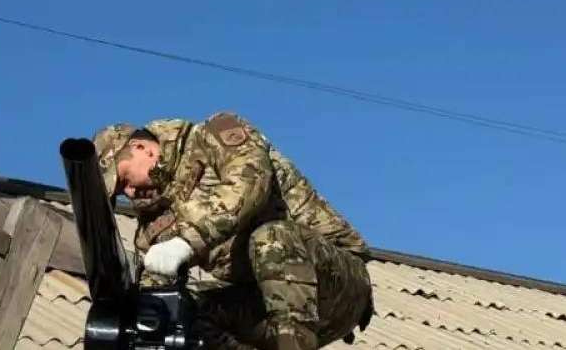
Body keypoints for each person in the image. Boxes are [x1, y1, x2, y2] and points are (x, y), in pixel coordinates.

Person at [92, 114, 374, 350]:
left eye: (125, 180)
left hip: (335, 284)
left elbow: (251, 183)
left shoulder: (214, 135)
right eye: (122, 193)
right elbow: (155, 299)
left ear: (142, 147)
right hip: (264, 302)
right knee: (188, 311)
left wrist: (187, 241)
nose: (130, 193)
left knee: (271, 237)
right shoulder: (153, 226)